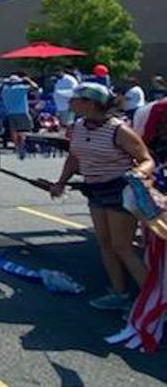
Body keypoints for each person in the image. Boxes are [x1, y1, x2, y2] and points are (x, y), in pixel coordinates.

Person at [49, 82, 154, 310]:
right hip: (95, 190)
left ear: (90, 103)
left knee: (122, 247)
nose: (69, 103)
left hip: (119, 192)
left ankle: (152, 304)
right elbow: (74, 158)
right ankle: (119, 293)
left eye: (74, 99)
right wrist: (61, 183)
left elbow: (147, 159)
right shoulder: (78, 127)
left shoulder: (119, 130)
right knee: (105, 244)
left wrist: (138, 173)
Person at [1, 74, 39, 158]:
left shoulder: (5, 90)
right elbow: (35, 87)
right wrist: (28, 80)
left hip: (10, 113)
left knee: (14, 131)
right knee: (25, 130)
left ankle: (16, 146)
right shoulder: (21, 88)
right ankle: (23, 146)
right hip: (22, 112)